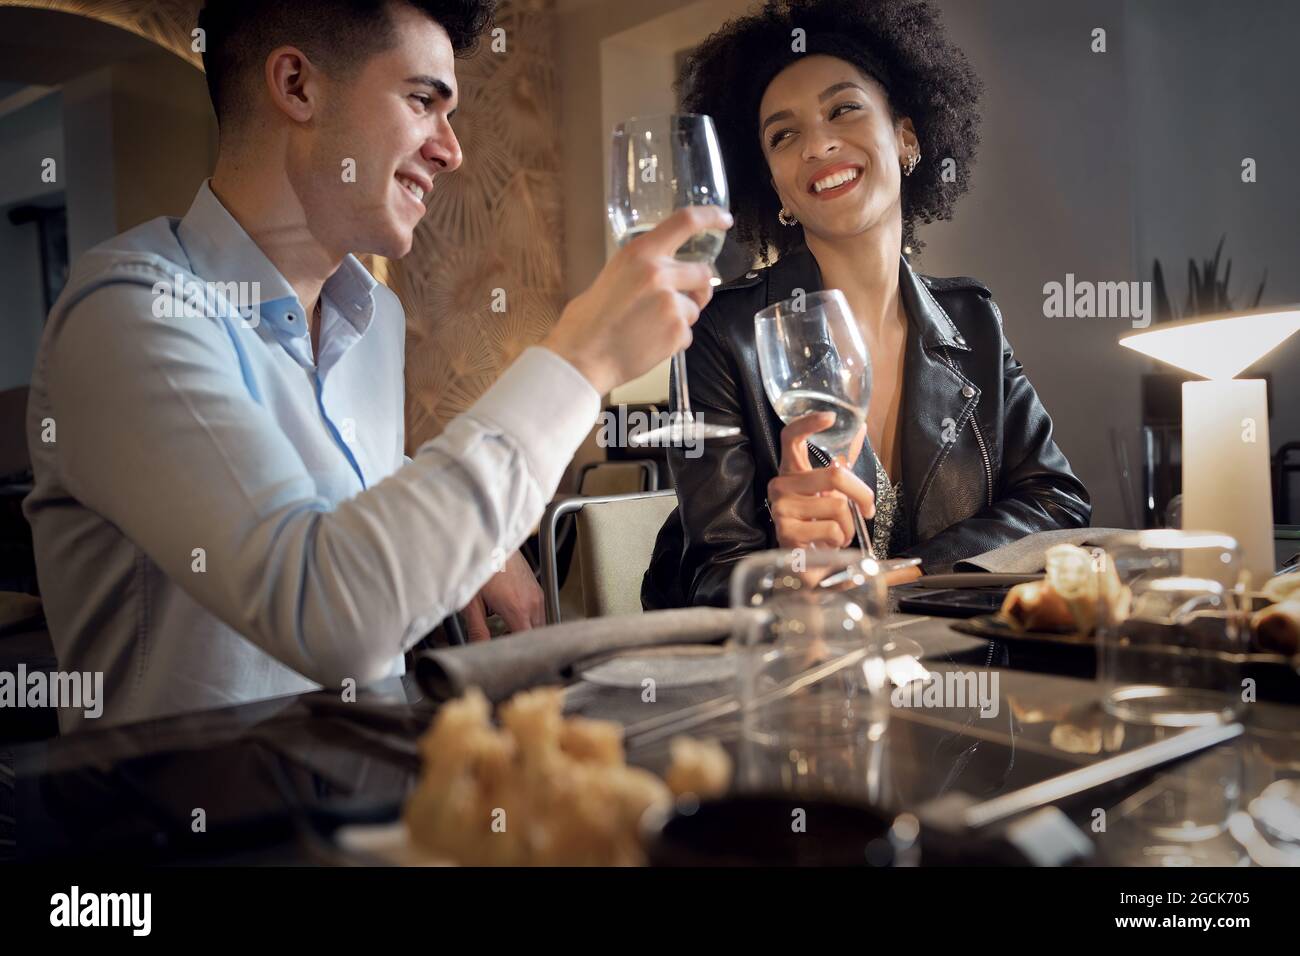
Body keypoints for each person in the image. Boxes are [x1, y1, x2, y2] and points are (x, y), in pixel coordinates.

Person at [24, 0, 731, 730]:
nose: (451, 150)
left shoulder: (374, 318)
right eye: (423, 101)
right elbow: (327, 615)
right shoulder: (132, 311)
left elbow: (333, 471)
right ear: (296, 85)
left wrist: (472, 546)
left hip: (376, 810)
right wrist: (583, 359)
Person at [643, 0, 1089, 609]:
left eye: (843, 108)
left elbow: (1057, 501)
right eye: (784, 134)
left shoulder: (973, 319)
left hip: (967, 679)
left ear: (906, 137)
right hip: (803, 687)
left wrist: (908, 573)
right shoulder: (720, 333)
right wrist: (789, 556)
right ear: (774, 187)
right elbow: (710, 580)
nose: (817, 144)